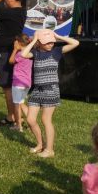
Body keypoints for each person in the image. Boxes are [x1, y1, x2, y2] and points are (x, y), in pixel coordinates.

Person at [20, 29, 79, 158]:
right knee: (30, 119)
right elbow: (23, 54)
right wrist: (34, 40)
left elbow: (75, 43)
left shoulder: (56, 51)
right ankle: (40, 144)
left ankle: (49, 150)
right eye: (47, 42)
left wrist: (58, 36)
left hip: (51, 90)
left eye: (52, 42)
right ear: (40, 42)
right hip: (37, 90)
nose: (50, 44)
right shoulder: (35, 53)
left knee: (46, 120)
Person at [9, 34, 32, 132]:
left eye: (16, 41)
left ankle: (19, 126)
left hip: (18, 83)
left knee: (17, 104)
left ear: (19, 43)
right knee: (22, 103)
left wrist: (14, 49)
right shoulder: (30, 54)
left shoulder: (20, 54)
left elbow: (11, 61)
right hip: (27, 83)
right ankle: (31, 124)